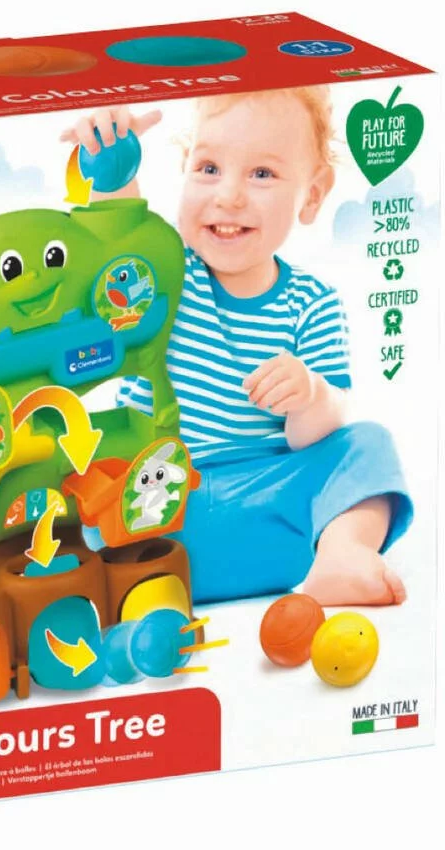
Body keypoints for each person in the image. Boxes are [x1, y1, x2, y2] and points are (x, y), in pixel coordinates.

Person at [62, 88, 412, 605]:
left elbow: (314, 437)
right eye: (208, 168)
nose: (228, 196)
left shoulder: (312, 303)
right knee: (80, 475)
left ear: (312, 196)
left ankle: (342, 555)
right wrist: (112, 166)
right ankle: (140, 588)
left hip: (269, 520)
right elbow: (120, 248)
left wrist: (310, 395)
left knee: (368, 442)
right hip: (157, 508)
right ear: (184, 170)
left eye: (262, 173)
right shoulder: (165, 272)